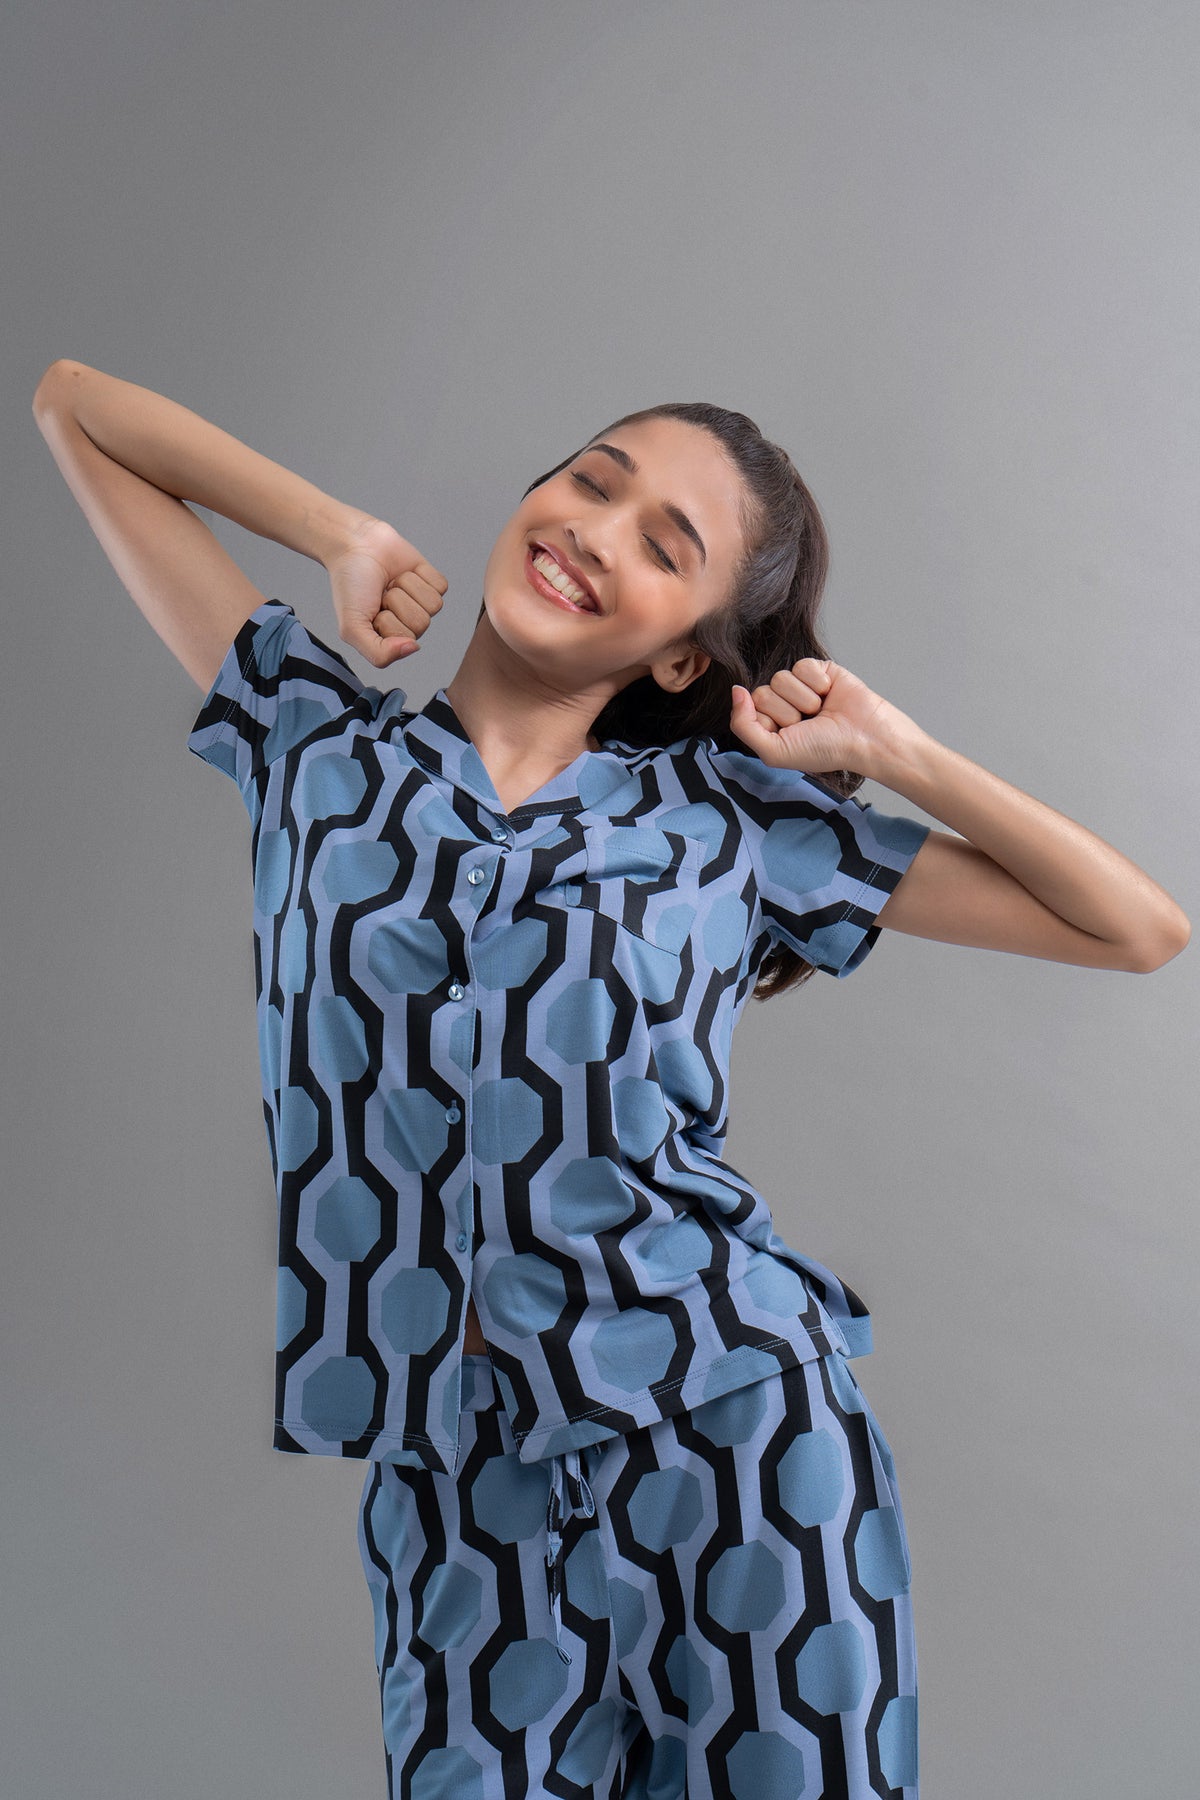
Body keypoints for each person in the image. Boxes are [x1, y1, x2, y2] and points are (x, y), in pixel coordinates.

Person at [33, 359, 1189, 1800]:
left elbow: (1136, 926)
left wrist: (897, 753)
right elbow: (75, 405)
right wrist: (341, 533)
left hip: (736, 1431)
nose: (595, 531)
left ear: (685, 660)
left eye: (665, 545)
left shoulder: (730, 826)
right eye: (591, 479)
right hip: (455, 1474)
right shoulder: (313, 747)